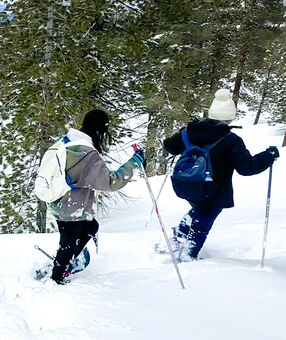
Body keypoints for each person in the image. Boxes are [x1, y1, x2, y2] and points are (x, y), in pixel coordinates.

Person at [163, 88, 279, 261]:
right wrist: (268, 156)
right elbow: (247, 168)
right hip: (214, 190)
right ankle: (188, 254)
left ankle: (179, 239)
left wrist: (181, 136)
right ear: (229, 117)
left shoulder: (189, 132)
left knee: (198, 210)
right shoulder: (231, 140)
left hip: (187, 184)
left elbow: (170, 147)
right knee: (204, 218)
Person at [47, 109, 146, 284]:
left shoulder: (67, 141)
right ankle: (56, 277)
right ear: (100, 131)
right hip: (71, 206)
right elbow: (110, 182)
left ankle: (63, 262)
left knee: (90, 227)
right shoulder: (86, 153)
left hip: (59, 199)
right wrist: (134, 163)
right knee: (69, 241)